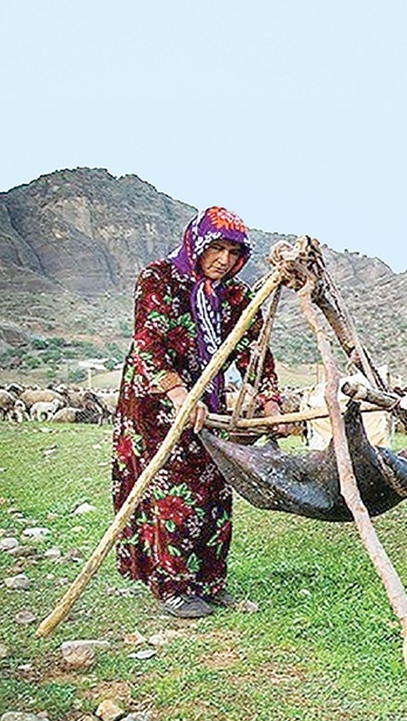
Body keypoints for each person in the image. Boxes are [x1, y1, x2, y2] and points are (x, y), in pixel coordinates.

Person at [111, 207, 286, 618]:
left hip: (207, 404)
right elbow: (148, 343)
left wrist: (270, 401)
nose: (223, 259)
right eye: (216, 248)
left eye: (233, 251)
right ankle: (173, 585)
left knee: (214, 488)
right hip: (155, 403)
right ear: (198, 244)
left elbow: (254, 351)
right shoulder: (160, 279)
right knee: (173, 491)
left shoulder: (237, 296)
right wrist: (177, 394)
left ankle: (209, 582)